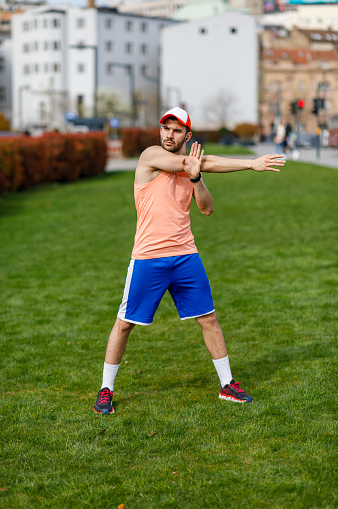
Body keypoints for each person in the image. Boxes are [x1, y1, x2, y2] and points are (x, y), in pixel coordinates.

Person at [94, 107, 285, 414]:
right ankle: (106, 389)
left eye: (177, 130)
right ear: (160, 132)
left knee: (209, 318)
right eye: (166, 129)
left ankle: (227, 385)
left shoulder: (190, 169)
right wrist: (251, 163)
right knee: (125, 324)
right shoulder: (150, 156)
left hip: (185, 255)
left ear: (187, 135)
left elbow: (207, 208)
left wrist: (197, 178)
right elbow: (192, 162)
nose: (170, 135)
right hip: (149, 257)